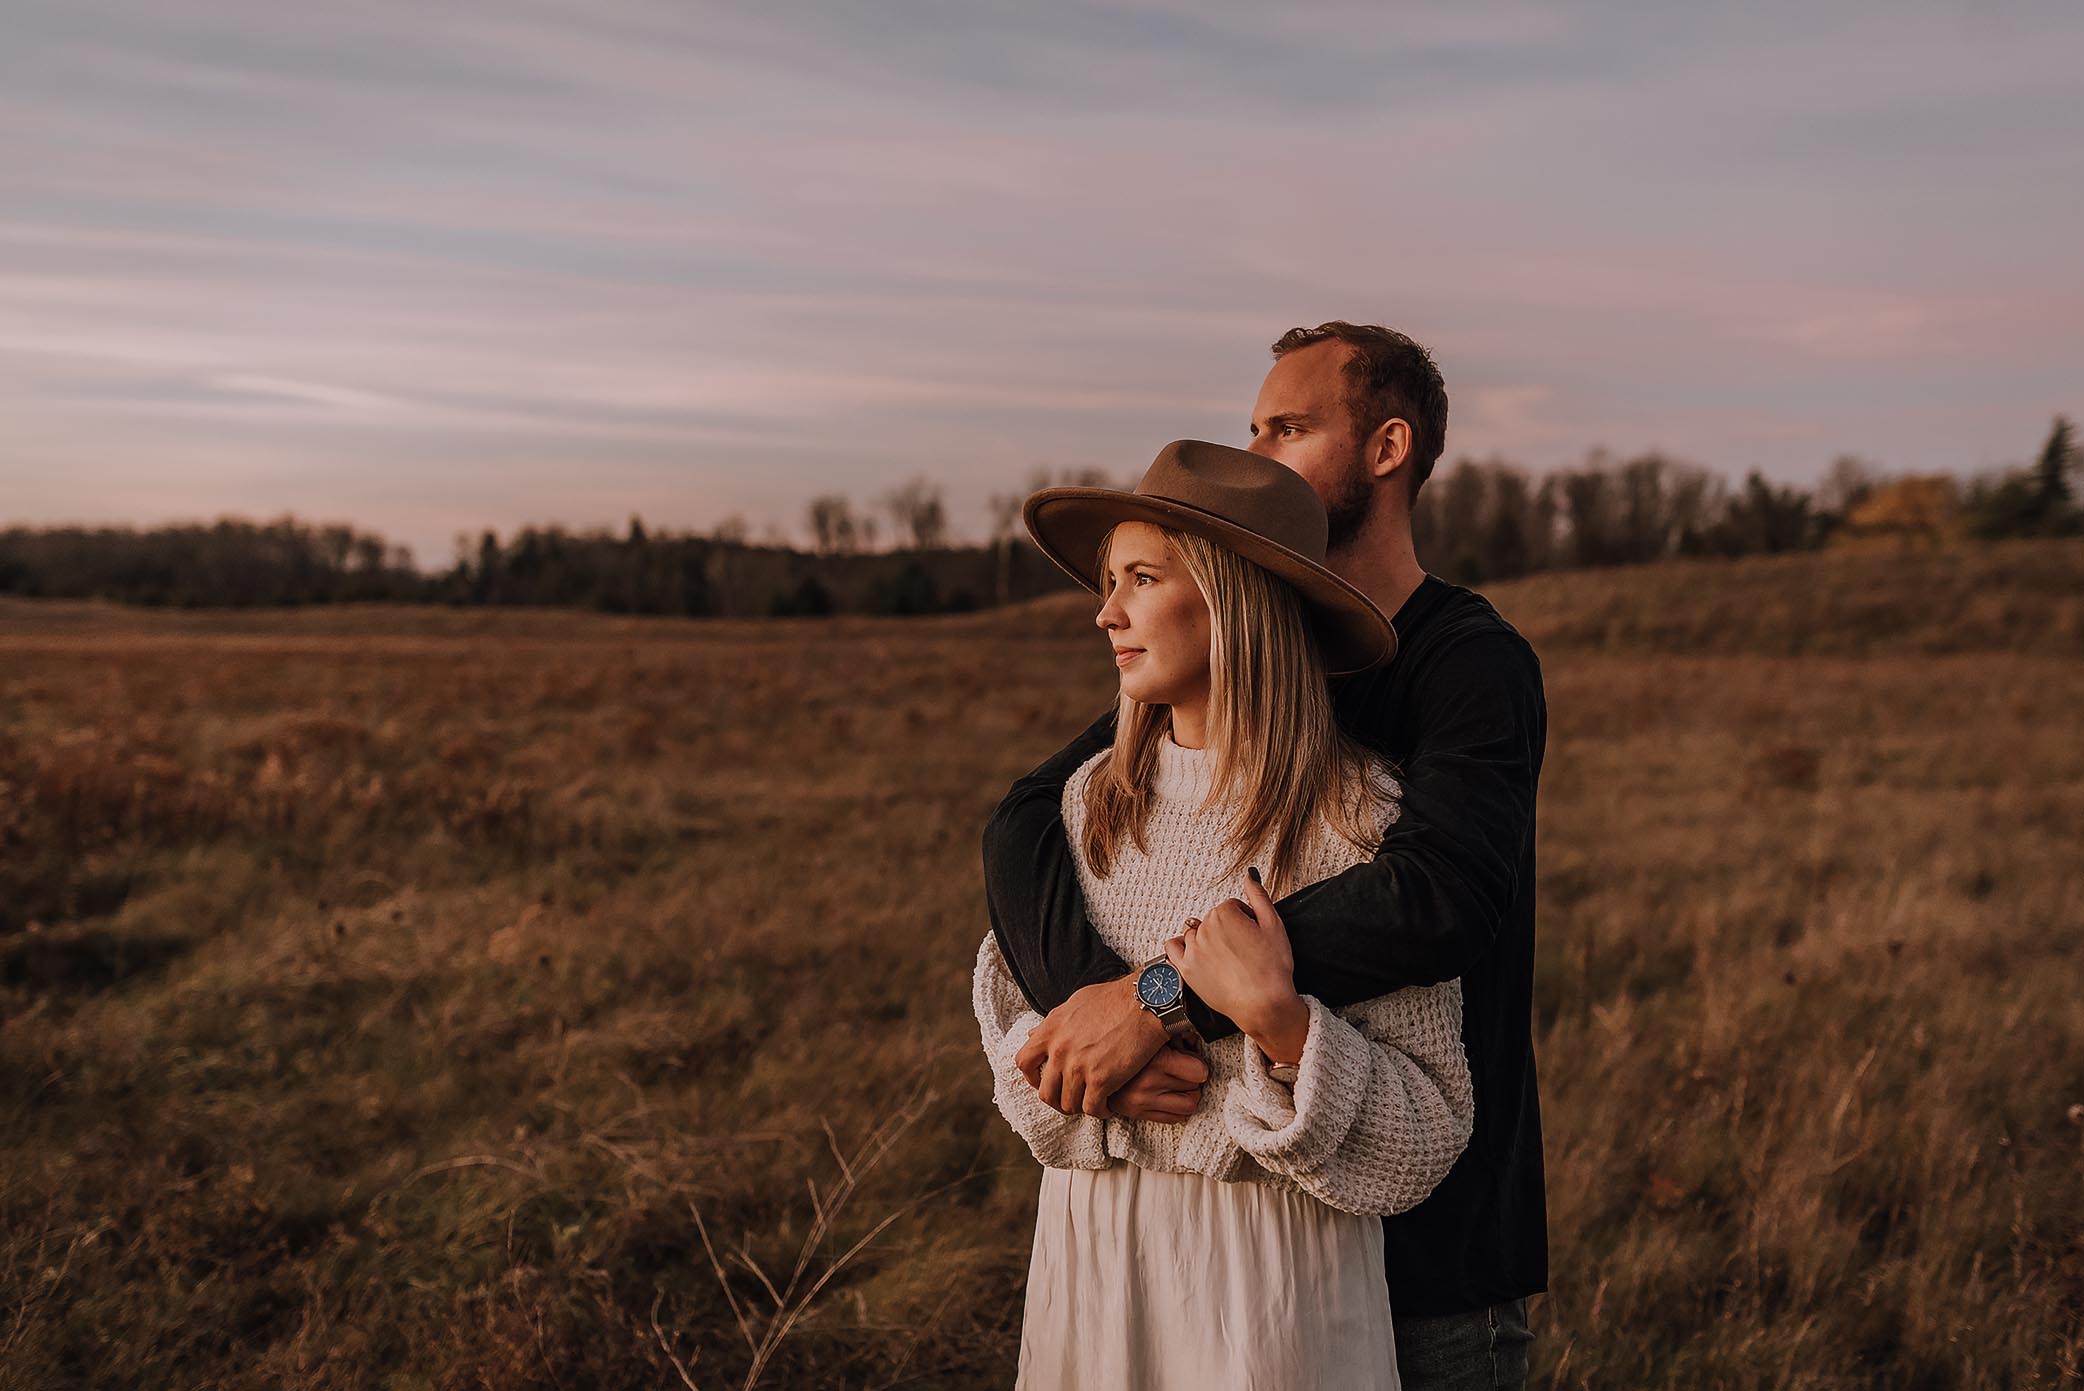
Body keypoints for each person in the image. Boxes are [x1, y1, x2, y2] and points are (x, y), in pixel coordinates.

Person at [982, 322, 1548, 1389]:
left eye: (1287, 428)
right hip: (1141, 1257)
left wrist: (1155, 999)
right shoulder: (1170, 703)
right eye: (1251, 428)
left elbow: (1433, 900)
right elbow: (1020, 820)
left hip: (1429, 1244)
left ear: (1386, 449)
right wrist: (1092, 1026)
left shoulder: (1465, 664)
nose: (1257, 453)